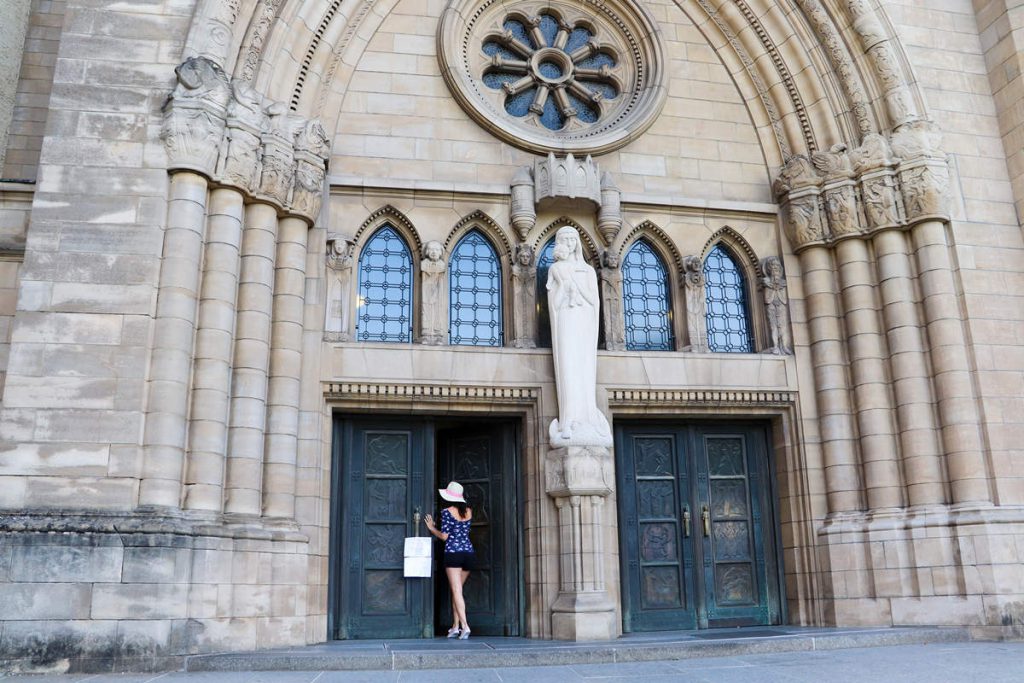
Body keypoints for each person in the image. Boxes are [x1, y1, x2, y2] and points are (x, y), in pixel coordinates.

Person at [423, 481, 474, 639]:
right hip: (469, 553)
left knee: (456, 590)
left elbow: (445, 536)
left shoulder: (447, 511)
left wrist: (432, 529)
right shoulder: (469, 511)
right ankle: (455, 626)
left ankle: (465, 626)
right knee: (457, 591)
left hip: (453, 554)